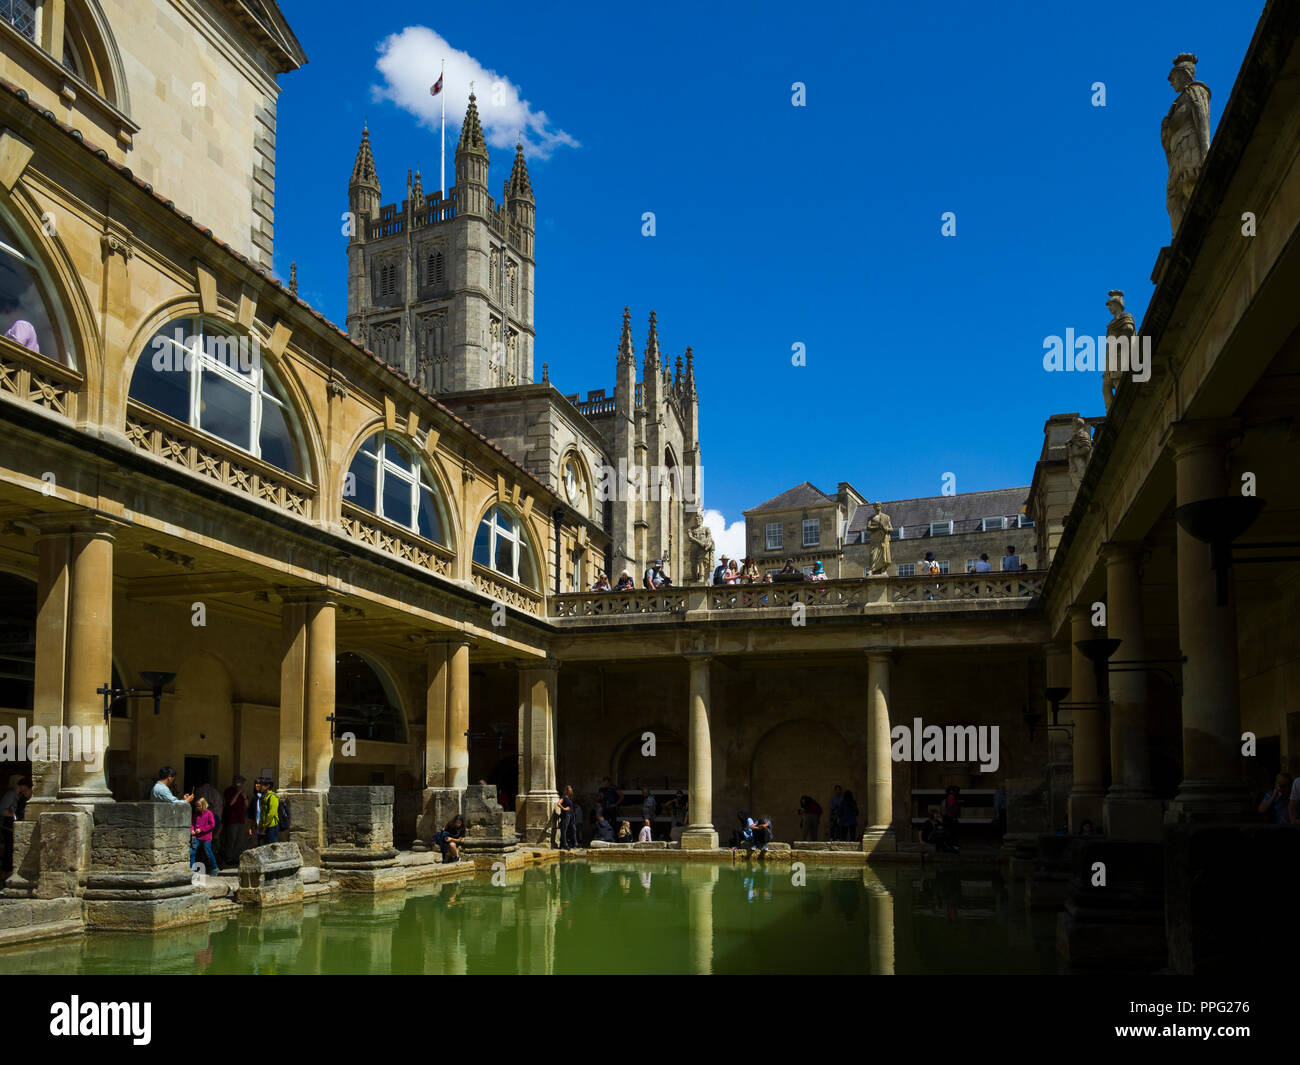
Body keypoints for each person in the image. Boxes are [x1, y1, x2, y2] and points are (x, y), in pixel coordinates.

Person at [0, 777, 31, 873]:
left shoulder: (23, 799)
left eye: (25, 791)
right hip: (11, 828)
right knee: (9, 850)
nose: (24, 793)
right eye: (22, 791)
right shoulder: (20, 798)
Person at [190, 798, 221, 875]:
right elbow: (192, 824)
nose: (197, 808)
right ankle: (192, 869)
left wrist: (201, 829)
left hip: (206, 837)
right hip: (195, 837)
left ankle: (215, 868)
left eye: (199, 806)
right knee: (192, 852)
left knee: (208, 852)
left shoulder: (209, 813)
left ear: (203, 805)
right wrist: (192, 830)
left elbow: (212, 825)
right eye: (196, 806)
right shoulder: (195, 814)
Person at [221, 775, 248, 865]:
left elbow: (247, 805)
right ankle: (228, 858)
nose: (242, 785)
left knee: (240, 840)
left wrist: (244, 796)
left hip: (241, 819)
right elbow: (230, 803)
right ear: (235, 783)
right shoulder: (228, 791)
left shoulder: (243, 792)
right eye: (240, 783)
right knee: (231, 839)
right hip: (232, 819)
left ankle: (237, 858)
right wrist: (238, 793)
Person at [258, 778, 280, 844]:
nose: (260, 787)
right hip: (264, 826)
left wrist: (264, 827)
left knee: (271, 846)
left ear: (268, 786)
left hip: (271, 826)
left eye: (262, 785)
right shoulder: (264, 796)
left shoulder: (272, 797)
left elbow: (271, 813)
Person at [555, 785, 576, 850]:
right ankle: (565, 845)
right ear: (566, 791)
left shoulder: (569, 798)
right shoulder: (564, 797)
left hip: (571, 814)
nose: (571, 791)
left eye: (571, 790)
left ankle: (573, 843)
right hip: (566, 815)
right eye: (569, 790)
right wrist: (564, 808)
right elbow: (558, 803)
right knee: (564, 829)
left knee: (573, 829)